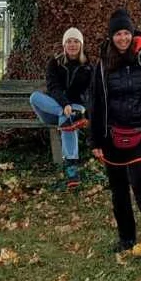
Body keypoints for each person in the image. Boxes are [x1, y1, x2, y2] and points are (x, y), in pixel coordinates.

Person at [88, 8, 141, 258]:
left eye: (126, 33)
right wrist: (96, 139)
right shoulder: (102, 65)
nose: (122, 38)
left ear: (132, 34)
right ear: (111, 37)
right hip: (113, 136)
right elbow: (96, 104)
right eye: (118, 34)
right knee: (118, 191)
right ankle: (126, 237)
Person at [29, 27, 91, 189]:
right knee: (34, 97)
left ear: (81, 44)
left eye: (76, 41)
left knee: (66, 120)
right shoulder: (55, 63)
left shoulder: (88, 66)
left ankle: (71, 166)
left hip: (77, 106)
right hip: (55, 107)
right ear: (64, 45)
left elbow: (92, 91)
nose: (72, 45)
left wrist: (84, 110)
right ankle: (68, 116)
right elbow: (53, 87)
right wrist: (64, 106)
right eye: (69, 41)